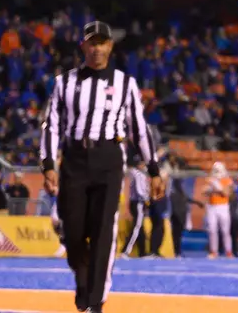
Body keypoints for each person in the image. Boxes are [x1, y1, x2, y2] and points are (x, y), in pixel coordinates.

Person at [38, 20, 162, 313]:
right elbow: (51, 125)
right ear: (83, 46)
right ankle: (82, 277)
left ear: (110, 46)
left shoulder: (125, 84)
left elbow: (139, 128)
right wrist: (48, 164)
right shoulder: (64, 83)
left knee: (104, 229)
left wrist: (154, 168)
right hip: (75, 159)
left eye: (102, 43)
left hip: (109, 157)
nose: (97, 49)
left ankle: (96, 300)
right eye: (92, 43)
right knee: (72, 227)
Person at [199, 160, 234, 257]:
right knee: (212, 230)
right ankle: (214, 251)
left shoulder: (226, 180)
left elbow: (226, 193)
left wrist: (215, 185)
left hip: (223, 207)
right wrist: (211, 189)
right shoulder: (211, 180)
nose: (216, 172)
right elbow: (203, 191)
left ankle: (228, 251)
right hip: (212, 206)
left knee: (225, 231)